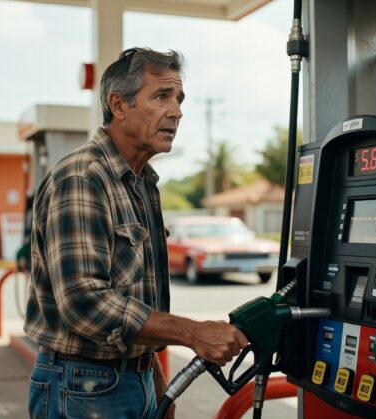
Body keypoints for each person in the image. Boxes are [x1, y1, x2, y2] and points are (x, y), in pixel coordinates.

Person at [24, 47, 248, 419]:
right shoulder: (83, 178)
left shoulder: (142, 183)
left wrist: (156, 381)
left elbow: (135, 301)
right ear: (118, 104)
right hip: (84, 387)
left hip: (132, 379)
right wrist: (192, 333)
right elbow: (84, 302)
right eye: (161, 96)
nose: (176, 111)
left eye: (178, 99)